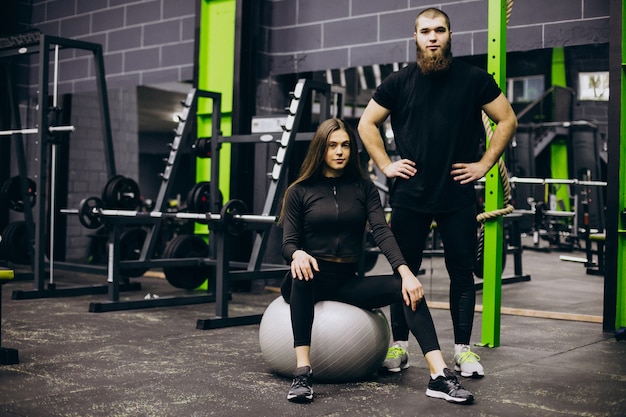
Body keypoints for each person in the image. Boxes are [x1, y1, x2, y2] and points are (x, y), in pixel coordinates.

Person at [358, 8, 518, 379]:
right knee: (404, 273)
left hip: (457, 193)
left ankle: (462, 350)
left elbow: (507, 119)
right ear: (415, 37)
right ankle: (400, 346)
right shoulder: (398, 83)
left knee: (462, 273)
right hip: (410, 194)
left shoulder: (474, 79)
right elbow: (367, 123)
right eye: (425, 31)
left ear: (450, 35)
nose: (433, 37)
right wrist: (385, 164)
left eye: (439, 30)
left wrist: (483, 165)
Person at [279, 117, 474, 405]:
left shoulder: (364, 188)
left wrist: (406, 272)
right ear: (321, 149)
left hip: (346, 282)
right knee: (301, 275)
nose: (339, 151)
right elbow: (288, 242)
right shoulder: (300, 191)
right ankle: (303, 374)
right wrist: (298, 254)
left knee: (407, 290)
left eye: (345, 145)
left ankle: (439, 375)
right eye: (332, 145)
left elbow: (382, 231)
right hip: (310, 279)